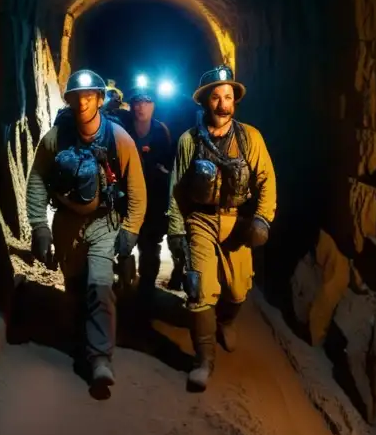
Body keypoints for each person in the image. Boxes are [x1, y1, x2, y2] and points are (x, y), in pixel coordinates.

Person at [26, 69, 147, 392]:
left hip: (103, 224)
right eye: (77, 98)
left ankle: (99, 359)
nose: (82, 103)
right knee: (76, 286)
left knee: (100, 284)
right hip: (66, 223)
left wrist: (130, 229)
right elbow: (37, 179)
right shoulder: (56, 138)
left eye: (89, 97)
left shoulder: (118, 139)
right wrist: (39, 225)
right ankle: (82, 336)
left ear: (98, 100)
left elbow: (136, 189)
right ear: (70, 100)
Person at [166, 65, 276, 391]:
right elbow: (176, 188)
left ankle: (226, 320)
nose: (222, 104)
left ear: (234, 101)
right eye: (216, 97)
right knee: (199, 289)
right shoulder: (189, 141)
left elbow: (266, 180)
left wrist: (261, 218)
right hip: (199, 220)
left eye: (228, 97)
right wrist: (175, 229)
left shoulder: (250, 138)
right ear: (204, 102)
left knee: (238, 288)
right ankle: (204, 361)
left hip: (236, 221)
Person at [121, 86, 174, 311]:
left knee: (150, 246)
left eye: (146, 102)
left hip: (153, 201)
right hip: (125, 198)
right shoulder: (122, 129)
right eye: (136, 102)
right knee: (121, 243)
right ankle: (125, 279)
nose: (140, 106)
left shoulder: (161, 132)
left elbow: (169, 167)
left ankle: (145, 292)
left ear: (153, 105)